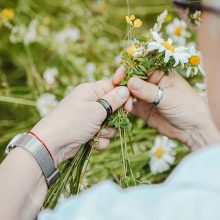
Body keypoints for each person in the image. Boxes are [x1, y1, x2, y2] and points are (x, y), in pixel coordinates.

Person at [0, 0, 220, 219]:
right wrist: (204, 133)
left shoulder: (120, 212)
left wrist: (43, 145)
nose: (189, 21)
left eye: (195, 9)